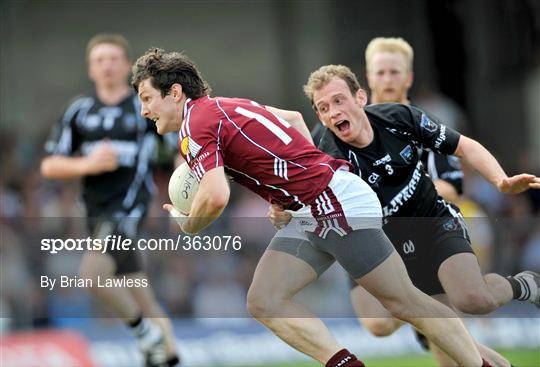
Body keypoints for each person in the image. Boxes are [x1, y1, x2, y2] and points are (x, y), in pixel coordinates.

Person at [132, 47, 497, 367]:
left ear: (175, 92)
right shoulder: (222, 107)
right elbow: (291, 118)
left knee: (405, 303)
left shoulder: (195, 124)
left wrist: (188, 223)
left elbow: (214, 196)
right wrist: (290, 190)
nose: (145, 109)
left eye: (147, 98)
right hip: (314, 207)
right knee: (264, 300)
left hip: (335, 203)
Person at [271, 63, 540, 366]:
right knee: (379, 324)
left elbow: (464, 146)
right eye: (323, 108)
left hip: (431, 222)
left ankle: (526, 285)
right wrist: (288, 215)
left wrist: (500, 180)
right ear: (319, 117)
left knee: (473, 300)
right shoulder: (325, 153)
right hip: (377, 241)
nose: (333, 111)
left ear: (360, 97)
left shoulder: (398, 118)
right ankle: (433, 325)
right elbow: (308, 207)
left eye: (338, 100)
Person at [40, 34, 179, 367]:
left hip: (130, 205)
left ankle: (145, 336)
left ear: (127, 66)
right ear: (90, 69)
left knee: (92, 275)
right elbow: (49, 164)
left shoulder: (143, 105)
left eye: (114, 59)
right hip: (94, 212)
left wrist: (183, 198)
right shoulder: (79, 111)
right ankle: (169, 356)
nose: (107, 66)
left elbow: (177, 152)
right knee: (137, 290)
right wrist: (89, 164)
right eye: (100, 60)